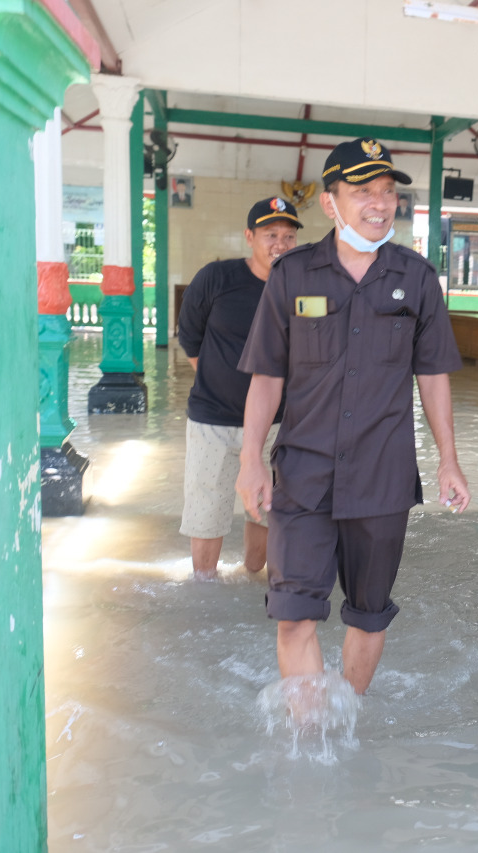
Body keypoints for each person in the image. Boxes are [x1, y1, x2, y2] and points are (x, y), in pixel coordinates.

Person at [236, 138, 470, 696]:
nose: (379, 203)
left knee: (367, 614)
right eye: (363, 191)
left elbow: (433, 375)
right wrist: (250, 460)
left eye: (387, 191)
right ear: (330, 203)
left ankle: (347, 721)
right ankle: (312, 737)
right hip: (303, 476)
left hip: (381, 478)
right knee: (294, 615)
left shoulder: (416, 278)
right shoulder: (292, 276)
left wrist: (449, 462)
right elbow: (266, 376)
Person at [177, 196, 302, 580]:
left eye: (288, 235)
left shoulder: (302, 288)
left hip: (276, 424)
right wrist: (222, 380)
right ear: (249, 237)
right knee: (206, 511)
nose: (280, 243)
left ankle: (252, 578)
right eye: (270, 234)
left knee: (266, 509)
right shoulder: (217, 279)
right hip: (212, 419)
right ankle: (204, 588)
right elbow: (189, 338)